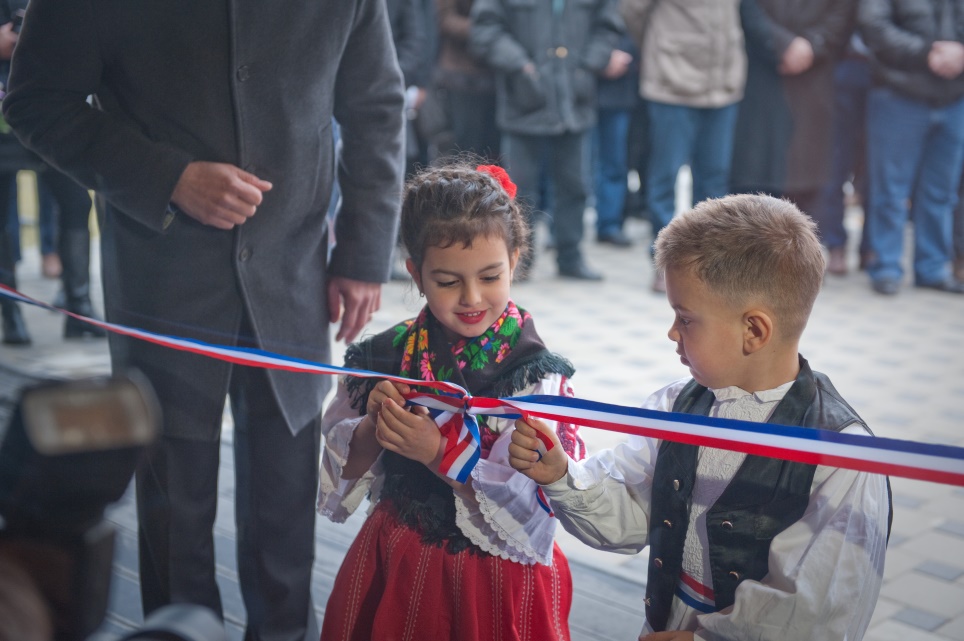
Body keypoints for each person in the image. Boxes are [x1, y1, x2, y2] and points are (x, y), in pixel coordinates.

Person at [2, 2, 406, 639]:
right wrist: (168, 178)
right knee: (172, 512)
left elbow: (376, 105)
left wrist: (362, 252)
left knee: (285, 510)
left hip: (294, 269)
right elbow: (35, 101)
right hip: (160, 278)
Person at [509, 194, 892, 640]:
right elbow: (632, 513)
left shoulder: (840, 456)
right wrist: (560, 474)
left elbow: (815, 609)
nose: (671, 332)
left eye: (685, 319)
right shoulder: (677, 407)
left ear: (753, 330)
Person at [318, 162, 584, 641]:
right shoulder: (384, 356)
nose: (471, 298)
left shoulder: (534, 376)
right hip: (399, 552)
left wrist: (437, 453)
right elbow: (343, 465)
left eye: (490, 276)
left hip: (497, 573)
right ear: (415, 273)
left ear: (516, 260)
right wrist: (372, 425)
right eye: (447, 282)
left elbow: (534, 502)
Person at [470, 0, 622, 281]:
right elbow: (486, 29)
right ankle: (520, 259)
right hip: (525, 99)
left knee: (575, 184)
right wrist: (522, 66)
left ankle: (571, 256)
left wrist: (588, 66)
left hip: (574, 101)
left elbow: (608, 26)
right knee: (519, 188)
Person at [620, 0, 747, 293]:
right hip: (672, 82)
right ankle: (667, 263)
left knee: (715, 179)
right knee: (665, 176)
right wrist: (659, 47)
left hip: (723, 82)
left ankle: (707, 264)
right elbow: (632, 11)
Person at [730, 0, 856, 271]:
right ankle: (749, 257)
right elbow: (748, 9)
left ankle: (802, 260)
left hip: (817, 75)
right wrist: (782, 44)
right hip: (761, 72)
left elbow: (841, 13)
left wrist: (811, 45)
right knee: (756, 168)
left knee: (812, 171)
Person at [858, 0, 964, 295]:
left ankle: (932, 268)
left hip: (955, 99)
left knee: (942, 192)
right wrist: (926, 52)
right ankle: (887, 267)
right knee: (890, 189)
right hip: (898, 94)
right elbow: (873, 26)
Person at [592, 34, 637, 248]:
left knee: (614, 164)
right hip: (577, 86)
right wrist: (600, 58)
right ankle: (561, 231)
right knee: (569, 167)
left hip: (620, 85)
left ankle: (610, 225)